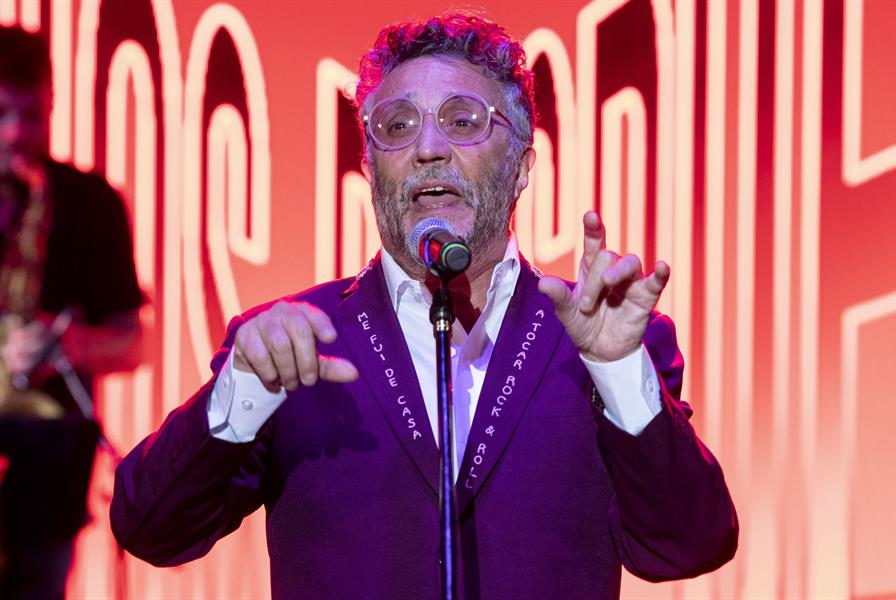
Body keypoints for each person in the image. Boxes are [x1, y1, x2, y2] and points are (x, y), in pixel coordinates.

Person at [111, 14, 737, 598]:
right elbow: (151, 529)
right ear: (369, 166)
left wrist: (618, 372)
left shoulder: (606, 341)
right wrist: (241, 391)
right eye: (398, 126)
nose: (428, 147)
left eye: (463, 121)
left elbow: (688, 546)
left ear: (522, 165)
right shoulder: (291, 345)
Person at [0, 26, 145, 599]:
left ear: (53, 104)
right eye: (2, 114)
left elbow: (133, 342)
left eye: (31, 116)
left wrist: (67, 345)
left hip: (47, 465)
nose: (16, 133)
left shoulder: (91, 202)